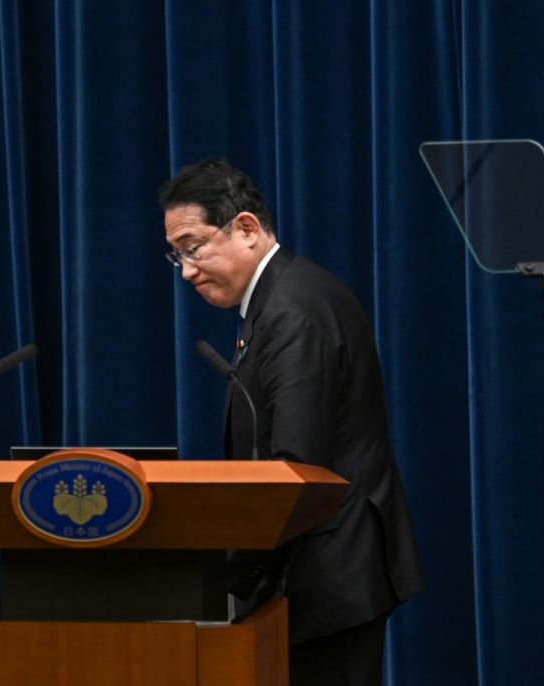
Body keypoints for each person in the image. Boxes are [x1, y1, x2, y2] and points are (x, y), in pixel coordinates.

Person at [160, 157, 425, 685]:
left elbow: (294, 472)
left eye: (193, 248)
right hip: (327, 569)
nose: (186, 270)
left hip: (328, 577)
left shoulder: (291, 311)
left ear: (247, 228)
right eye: (176, 256)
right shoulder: (283, 297)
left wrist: (228, 581)